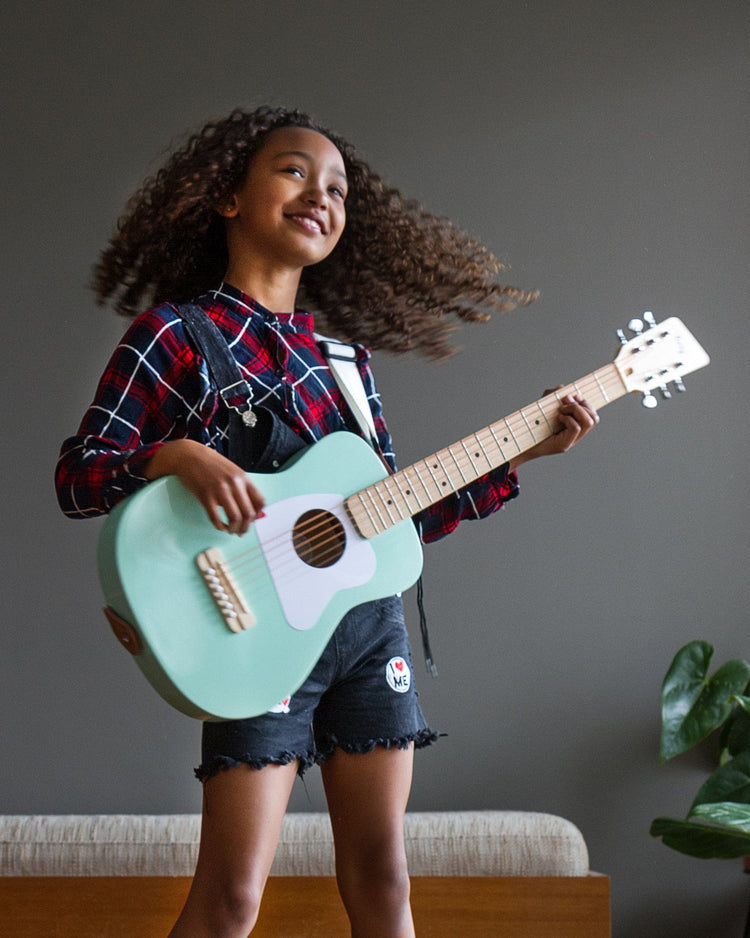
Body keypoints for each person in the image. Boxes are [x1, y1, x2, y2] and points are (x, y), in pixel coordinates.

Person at [55, 106, 598, 938]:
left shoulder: (347, 366)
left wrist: (522, 456)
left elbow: (385, 531)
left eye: (339, 187)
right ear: (229, 196)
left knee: (384, 880)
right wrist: (176, 457)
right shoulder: (175, 335)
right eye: (295, 171)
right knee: (233, 898)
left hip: (366, 636)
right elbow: (80, 475)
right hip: (253, 633)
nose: (322, 194)